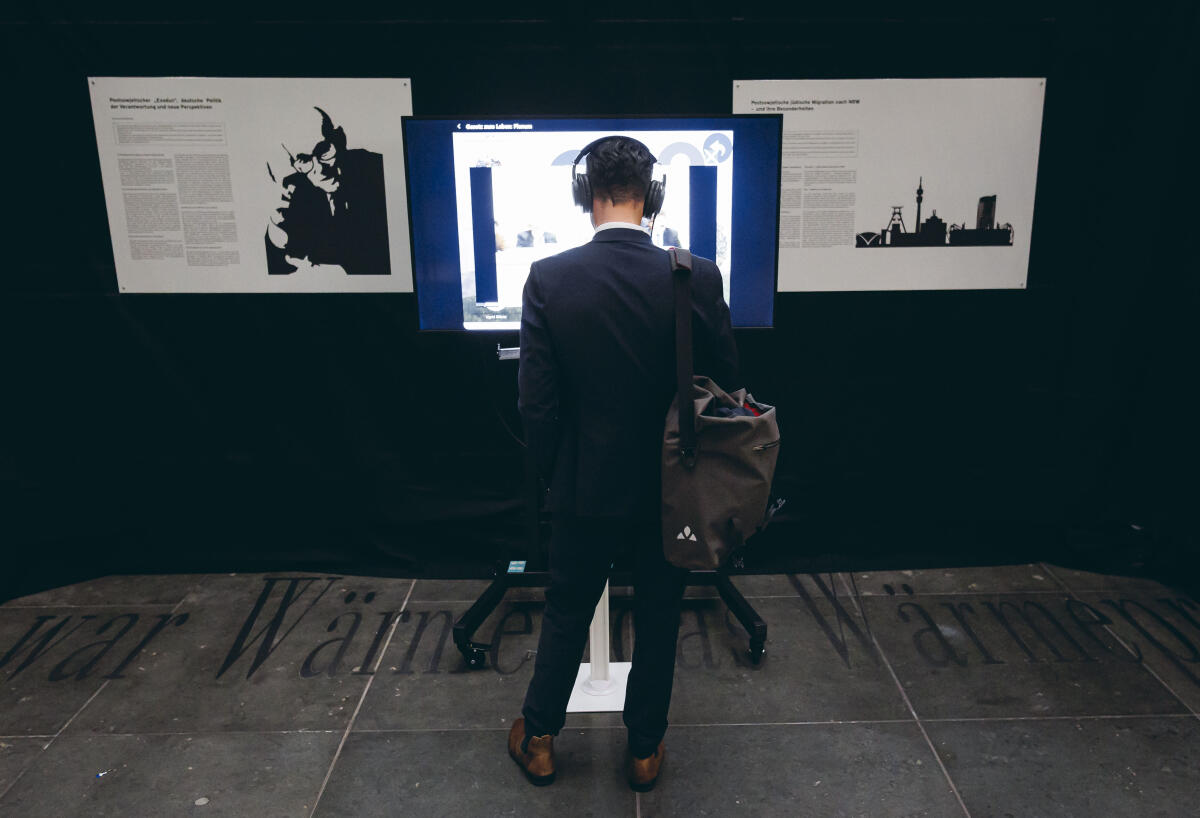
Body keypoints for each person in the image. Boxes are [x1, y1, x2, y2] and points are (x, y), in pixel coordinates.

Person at [509, 137, 739, 791]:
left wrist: (558, 478)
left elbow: (538, 407)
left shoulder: (549, 279)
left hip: (584, 488)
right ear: (653, 196)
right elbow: (726, 383)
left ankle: (542, 741)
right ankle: (643, 752)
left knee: (566, 611)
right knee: (661, 614)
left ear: (586, 197)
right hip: (676, 490)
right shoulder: (696, 275)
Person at [265, 107, 390, 276]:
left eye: (323, 151)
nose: (320, 170)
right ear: (295, 165)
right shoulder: (297, 190)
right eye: (304, 160)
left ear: (339, 140)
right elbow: (281, 261)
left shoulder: (376, 168)